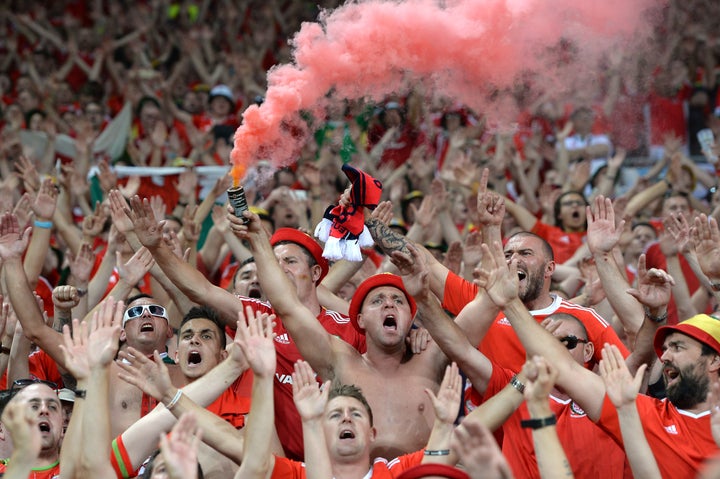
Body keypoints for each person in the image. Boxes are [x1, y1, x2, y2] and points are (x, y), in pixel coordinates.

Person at [126, 196, 365, 460]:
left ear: (317, 273)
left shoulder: (348, 328)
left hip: (337, 460)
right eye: (275, 263)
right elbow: (201, 290)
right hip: (274, 466)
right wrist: (157, 246)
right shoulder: (258, 315)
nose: (280, 269)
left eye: (291, 262)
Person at [473, 236, 720, 477]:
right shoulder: (644, 414)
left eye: (677, 347)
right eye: (665, 349)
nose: (664, 356)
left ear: (714, 360)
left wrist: (716, 281)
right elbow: (565, 368)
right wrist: (511, 303)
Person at [229, 207, 449, 459]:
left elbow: (469, 322)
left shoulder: (429, 353)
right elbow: (287, 304)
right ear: (360, 320)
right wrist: (258, 241)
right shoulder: (340, 357)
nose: (389, 304)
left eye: (398, 300)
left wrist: (424, 303)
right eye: (378, 300)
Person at [0, 381, 63, 477]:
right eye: (34, 407)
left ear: (62, 427)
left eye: (52, 407)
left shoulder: (80, 473)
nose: (44, 410)